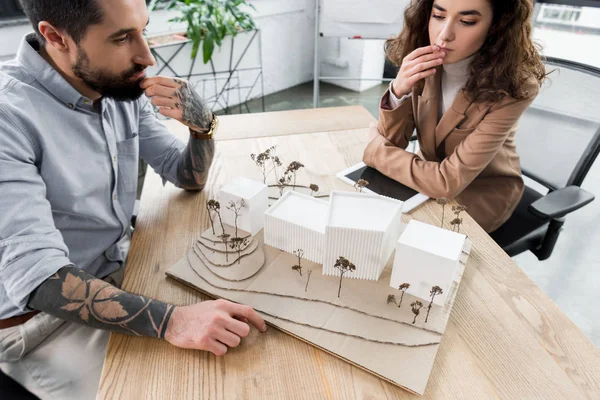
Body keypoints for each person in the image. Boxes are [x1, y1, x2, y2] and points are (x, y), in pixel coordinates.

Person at [0, 0, 267, 398]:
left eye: (143, 29)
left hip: (119, 271)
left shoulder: (112, 86)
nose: (146, 56)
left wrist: (202, 126)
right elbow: (40, 278)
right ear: (55, 37)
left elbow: (185, 175)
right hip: (39, 323)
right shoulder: (10, 117)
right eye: (123, 38)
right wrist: (172, 321)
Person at [363, 0, 547, 233]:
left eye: (467, 21)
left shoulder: (514, 88)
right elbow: (393, 143)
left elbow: (446, 183)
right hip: (423, 176)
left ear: (496, 26)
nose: (444, 34)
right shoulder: (424, 58)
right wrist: (398, 90)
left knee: (408, 245)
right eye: (438, 16)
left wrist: (375, 148)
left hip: (480, 193)